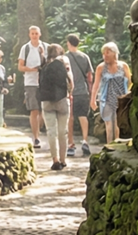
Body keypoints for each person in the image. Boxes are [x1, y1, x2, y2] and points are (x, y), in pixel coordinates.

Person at [37, 42, 74, 170]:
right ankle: (63, 160)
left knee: (51, 131)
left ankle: (55, 160)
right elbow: (70, 80)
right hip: (62, 100)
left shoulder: (44, 63)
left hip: (46, 101)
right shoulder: (64, 60)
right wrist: (69, 92)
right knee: (62, 132)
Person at [93, 41, 132, 144]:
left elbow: (130, 81)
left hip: (121, 99)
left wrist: (128, 94)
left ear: (114, 53)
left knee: (117, 125)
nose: (105, 55)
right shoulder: (101, 67)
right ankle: (109, 145)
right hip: (106, 99)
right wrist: (92, 100)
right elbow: (96, 85)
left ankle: (116, 146)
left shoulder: (123, 66)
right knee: (109, 125)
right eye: (103, 53)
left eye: (107, 52)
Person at [65, 34, 95, 157]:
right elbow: (89, 76)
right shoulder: (84, 57)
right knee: (83, 116)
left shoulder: (64, 57)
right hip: (83, 91)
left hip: (70, 92)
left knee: (70, 117)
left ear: (68, 43)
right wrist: (91, 91)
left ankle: (71, 144)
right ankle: (85, 141)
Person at [17, 26, 45, 148]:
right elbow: (20, 66)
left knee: (44, 110)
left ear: (40, 34)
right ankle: (36, 137)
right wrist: (32, 70)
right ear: (29, 35)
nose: (34, 35)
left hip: (44, 83)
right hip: (30, 83)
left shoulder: (45, 47)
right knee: (34, 110)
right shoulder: (25, 48)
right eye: (32, 33)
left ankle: (41, 130)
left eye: (36, 33)